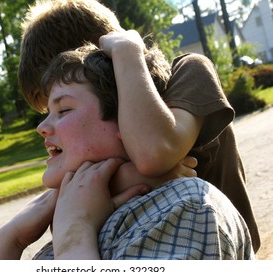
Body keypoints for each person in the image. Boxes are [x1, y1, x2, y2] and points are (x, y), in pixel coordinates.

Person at [17, 0, 260, 252]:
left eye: (65, 107)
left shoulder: (186, 74)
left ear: (102, 59)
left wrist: (126, 50)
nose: (51, 122)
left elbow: (153, 153)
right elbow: (73, 204)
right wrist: (131, 178)